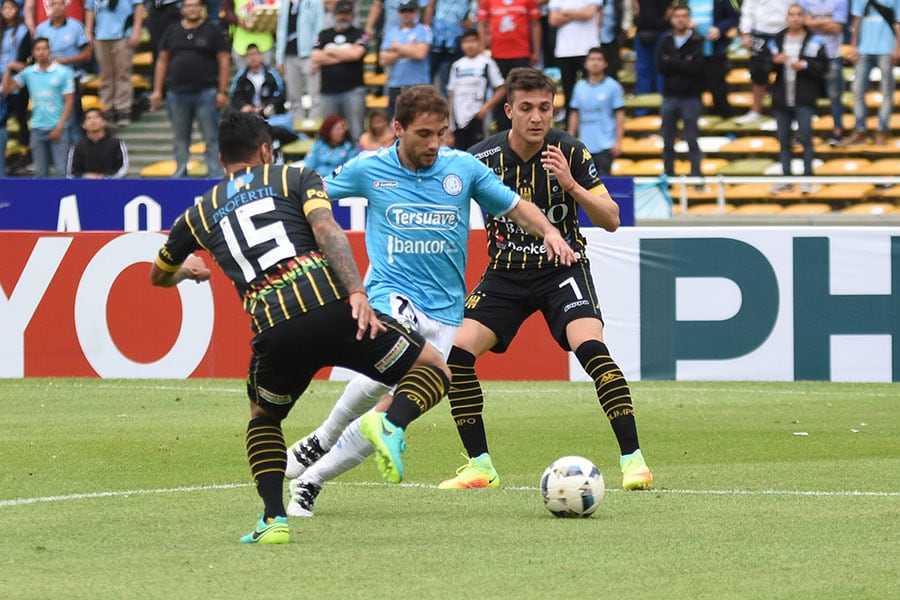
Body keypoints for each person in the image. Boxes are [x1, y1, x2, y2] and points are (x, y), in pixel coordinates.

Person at [150, 110, 453, 544]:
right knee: (434, 367)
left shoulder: (199, 213)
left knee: (264, 418)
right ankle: (390, 423)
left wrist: (186, 272)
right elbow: (325, 227)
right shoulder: (294, 176)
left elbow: (157, 275)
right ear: (265, 151)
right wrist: (357, 292)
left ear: (220, 158)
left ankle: (273, 518)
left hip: (275, 330)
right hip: (334, 310)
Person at [280, 84, 576, 517]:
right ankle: (322, 438)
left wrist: (549, 231)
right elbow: (315, 195)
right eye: (424, 134)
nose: (434, 144)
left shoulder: (463, 169)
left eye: (441, 132)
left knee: (390, 409)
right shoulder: (370, 168)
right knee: (392, 373)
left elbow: (516, 206)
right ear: (397, 129)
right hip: (391, 293)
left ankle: (312, 477)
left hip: (445, 311)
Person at [435, 67, 653, 492]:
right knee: (456, 357)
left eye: (545, 108)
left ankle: (634, 460)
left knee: (592, 349)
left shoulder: (570, 151)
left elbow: (611, 219)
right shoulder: (480, 159)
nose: (537, 117)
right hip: (506, 274)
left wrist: (572, 186)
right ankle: (481, 466)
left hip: (563, 268)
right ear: (509, 110)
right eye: (528, 108)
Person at [150, 0, 230, 178]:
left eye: (196, 5)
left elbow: (224, 60)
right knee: (180, 139)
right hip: (177, 93)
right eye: (188, 5)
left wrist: (222, 91)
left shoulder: (212, 31)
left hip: (206, 92)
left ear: (202, 8)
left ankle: (215, 175)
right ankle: (180, 175)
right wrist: (157, 90)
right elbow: (162, 60)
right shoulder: (172, 31)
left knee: (211, 137)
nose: (192, 9)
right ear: (182, 9)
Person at [768, 3, 829, 193]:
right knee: (784, 141)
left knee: (806, 140)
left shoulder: (815, 40)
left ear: (804, 17)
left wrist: (804, 66)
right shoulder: (776, 40)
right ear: (786, 18)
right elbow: (762, 68)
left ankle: (808, 178)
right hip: (781, 98)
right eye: (791, 14)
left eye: (798, 14)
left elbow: (823, 68)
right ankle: (786, 179)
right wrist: (774, 63)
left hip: (804, 98)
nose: (795, 18)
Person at [2, 36, 74, 177]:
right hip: (37, 129)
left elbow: (69, 101)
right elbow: (6, 89)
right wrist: (9, 69)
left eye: (45, 49)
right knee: (40, 173)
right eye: (38, 49)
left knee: (61, 171)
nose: (41, 52)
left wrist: (59, 127)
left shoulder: (63, 72)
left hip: (58, 128)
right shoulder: (29, 73)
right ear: (33, 53)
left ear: (50, 51)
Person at [843, 0, 900, 146]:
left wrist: (897, 47)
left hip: (886, 50)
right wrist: (854, 46)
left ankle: (882, 129)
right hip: (864, 50)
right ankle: (860, 130)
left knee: (887, 92)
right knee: (857, 90)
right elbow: (856, 22)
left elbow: (898, 22)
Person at [657, 3, 704, 178]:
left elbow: (697, 68)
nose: (681, 19)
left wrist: (672, 61)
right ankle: (668, 175)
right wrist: (684, 62)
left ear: (689, 18)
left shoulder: (697, 40)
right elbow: (661, 67)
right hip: (669, 96)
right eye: (677, 16)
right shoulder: (665, 40)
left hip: (691, 97)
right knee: (668, 140)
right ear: (671, 19)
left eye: (684, 16)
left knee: (692, 139)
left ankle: (696, 175)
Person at [312, 0, 370, 143]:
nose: (343, 17)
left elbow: (356, 55)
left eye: (347, 14)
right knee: (328, 133)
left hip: (353, 91)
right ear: (334, 15)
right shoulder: (324, 34)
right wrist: (346, 54)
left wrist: (329, 51)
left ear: (352, 15)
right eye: (340, 14)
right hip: (328, 92)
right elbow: (315, 57)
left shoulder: (360, 34)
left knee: (356, 132)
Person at [478, 0, 541, 130]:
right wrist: (483, 49)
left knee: (523, 91)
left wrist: (536, 50)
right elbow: (483, 24)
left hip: (522, 53)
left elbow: (535, 24)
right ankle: (502, 131)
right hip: (497, 55)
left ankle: (524, 127)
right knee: (501, 95)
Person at [35, 0, 92, 140]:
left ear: (65, 6)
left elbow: (87, 54)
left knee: (73, 119)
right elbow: (35, 54)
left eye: (60, 3)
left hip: (70, 75)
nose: (57, 7)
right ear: (49, 7)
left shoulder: (76, 26)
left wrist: (67, 61)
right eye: (54, 4)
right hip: (47, 79)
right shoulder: (41, 29)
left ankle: (75, 154)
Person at [84, 0, 144, 125]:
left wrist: (136, 31)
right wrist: (88, 32)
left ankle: (123, 109)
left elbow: (139, 7)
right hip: (100, 36)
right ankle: (107, 109)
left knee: (123, 74)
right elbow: (90, 9)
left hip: (122, 35)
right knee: (105, 75)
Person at [567, 47, 624, 177]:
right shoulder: (579, 87)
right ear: (586, 64)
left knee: (603, 185)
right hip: (584, 146)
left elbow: (619, 114)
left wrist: (618, 141)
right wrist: (570, 139)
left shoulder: (613, 86)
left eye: (599, 59)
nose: (595, 63)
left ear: (605, 63)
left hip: (605, 145)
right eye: (592, 59)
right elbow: (574, 113)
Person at [228, 42, 298, 147]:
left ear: (260, 56)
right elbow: (235, 95)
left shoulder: (272, 75)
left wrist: (265, 105)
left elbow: (280, 93)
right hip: (249, 117)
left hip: (269, 115)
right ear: (246, 58)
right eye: (249, 55)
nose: (253, 58)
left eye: (255, 54)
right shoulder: (241, 77)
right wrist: (244, 106)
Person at [800, 0, 850, 145]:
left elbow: (837, 28)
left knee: (835, 98)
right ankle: (803, 133)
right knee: (805, 97)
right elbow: (801, 23)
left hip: (832, 56)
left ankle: (837, 133)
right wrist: (827, 21)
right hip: (809, 57)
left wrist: (812, 22)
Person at [446, 27, 504, 150]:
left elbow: (501, 88)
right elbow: (452, 94)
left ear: (479, 42)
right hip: (459, 120)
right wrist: (449, 124)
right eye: (466, 42)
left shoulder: (487, 63)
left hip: (478, 117)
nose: (470, 45)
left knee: (479, 151)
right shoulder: (457, 66)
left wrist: (486, 107)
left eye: (473, 41)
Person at [736, 0, 792, 125]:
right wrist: (745, 34)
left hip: (785, 30)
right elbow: (747, 9)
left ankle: (785, 112)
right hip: (760, 32)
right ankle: (756, 111)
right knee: (758, 73)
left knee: (786, 72)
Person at [548, 0, 601, 122]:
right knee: (569, 94)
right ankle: (570, 128)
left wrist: (565, 12)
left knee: (592, 90)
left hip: (587, 50)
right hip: (565, 51)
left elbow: (589, 14)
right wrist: (578, 14)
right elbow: (553, 20)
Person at [379, 0, 432, 119]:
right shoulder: (391, 32)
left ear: (416, 12)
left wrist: (397, 48)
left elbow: (420, 54)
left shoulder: (423, 30)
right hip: (396, 85)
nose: (407, 14)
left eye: (410, 11)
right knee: (396, 124)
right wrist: (409, 49)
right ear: (398, 13)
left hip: (419, 85)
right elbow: (383, 60)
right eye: (403, 11)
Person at [687, 0, 739, 119]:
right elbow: (674, 15)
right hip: (691, 54)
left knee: (718, 90)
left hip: (714, 52)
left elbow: (733, 16)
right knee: (692, 91)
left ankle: (725, 126)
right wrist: (686, 23)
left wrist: (720, 29)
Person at [275, 0, 324, 121]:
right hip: (290, 55)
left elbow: (319, 28)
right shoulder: (286, 3)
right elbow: (281, 29)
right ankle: (297, 129)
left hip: (308, 54)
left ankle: (314, 128)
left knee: (315, 95)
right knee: (293, 97)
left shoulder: (315, 2)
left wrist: (316, 54)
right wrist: (279, 57)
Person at [1, 0, 32, 164]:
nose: (7, 11)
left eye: (11, 7)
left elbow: (23, 60)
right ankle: (8, 154)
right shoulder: (1, 30)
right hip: (1, 80)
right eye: (4, 8)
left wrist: (11, 68)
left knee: (20, 117)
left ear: (16, 10)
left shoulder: (22, 30)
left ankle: (25, 151)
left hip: (17, 81)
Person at [423, 0, 476, 96]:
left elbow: (479, 5)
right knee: (428, 76)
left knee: (450, 77)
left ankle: (449, 106)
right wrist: (427, 29)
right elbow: (430, 6)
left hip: (457, 38)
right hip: (437, 37)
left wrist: (473, 19)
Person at [632, 0, 671, 113]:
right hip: (643, 30)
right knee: (643, 72)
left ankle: (664, 110)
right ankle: (643, 110)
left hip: (663, 30)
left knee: (662, 71)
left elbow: (673, 7)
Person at [66, 106, 128, 177]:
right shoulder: (78, 146)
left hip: (111, 185)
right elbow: (72, 172)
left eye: (96, 117)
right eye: (89, 118)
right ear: (83, 125)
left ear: (104, 122)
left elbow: (123, 168)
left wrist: (103, 177)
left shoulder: (116, 143)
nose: (93, 121)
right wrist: (85, 176)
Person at [221, 0, 275, 72]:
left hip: (264, 45)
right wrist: (237, 20)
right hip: (241, 45)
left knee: (268, 79)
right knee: (243, 79)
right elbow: (226, 10)